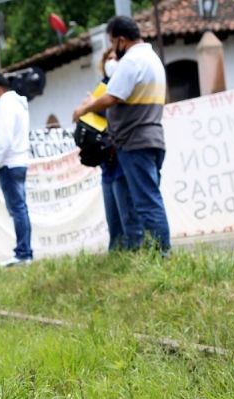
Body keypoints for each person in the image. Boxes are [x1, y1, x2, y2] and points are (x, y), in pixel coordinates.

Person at [73, 16, 171, 253]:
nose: (113, 50)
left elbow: (112, 96)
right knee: (148, 199)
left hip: (135, 142)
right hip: (152, 138)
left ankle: (161, 253)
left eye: (112, 42)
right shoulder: (152, 58)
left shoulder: (133, 60)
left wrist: (85, 108)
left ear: (121, 40)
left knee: (146, 202)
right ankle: (157, 251)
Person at [0, 73, 33, 267]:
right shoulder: (17, 104)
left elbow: (4, 138)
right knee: (20, 208)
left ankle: (23, 252)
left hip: (9, 163)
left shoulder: (6, 104)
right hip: (18, 161)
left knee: (18, 209)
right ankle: (24, 250)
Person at [95, 47, 141, 251]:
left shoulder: (124, 88)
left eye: (115, 58)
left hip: (122, 156)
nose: (111, 62)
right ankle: (116, 250)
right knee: (112, 213)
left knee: (128, 212)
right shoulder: (100, 89)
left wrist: (93, 106)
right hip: (107, 161)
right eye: (108, 58)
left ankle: (134, 249)